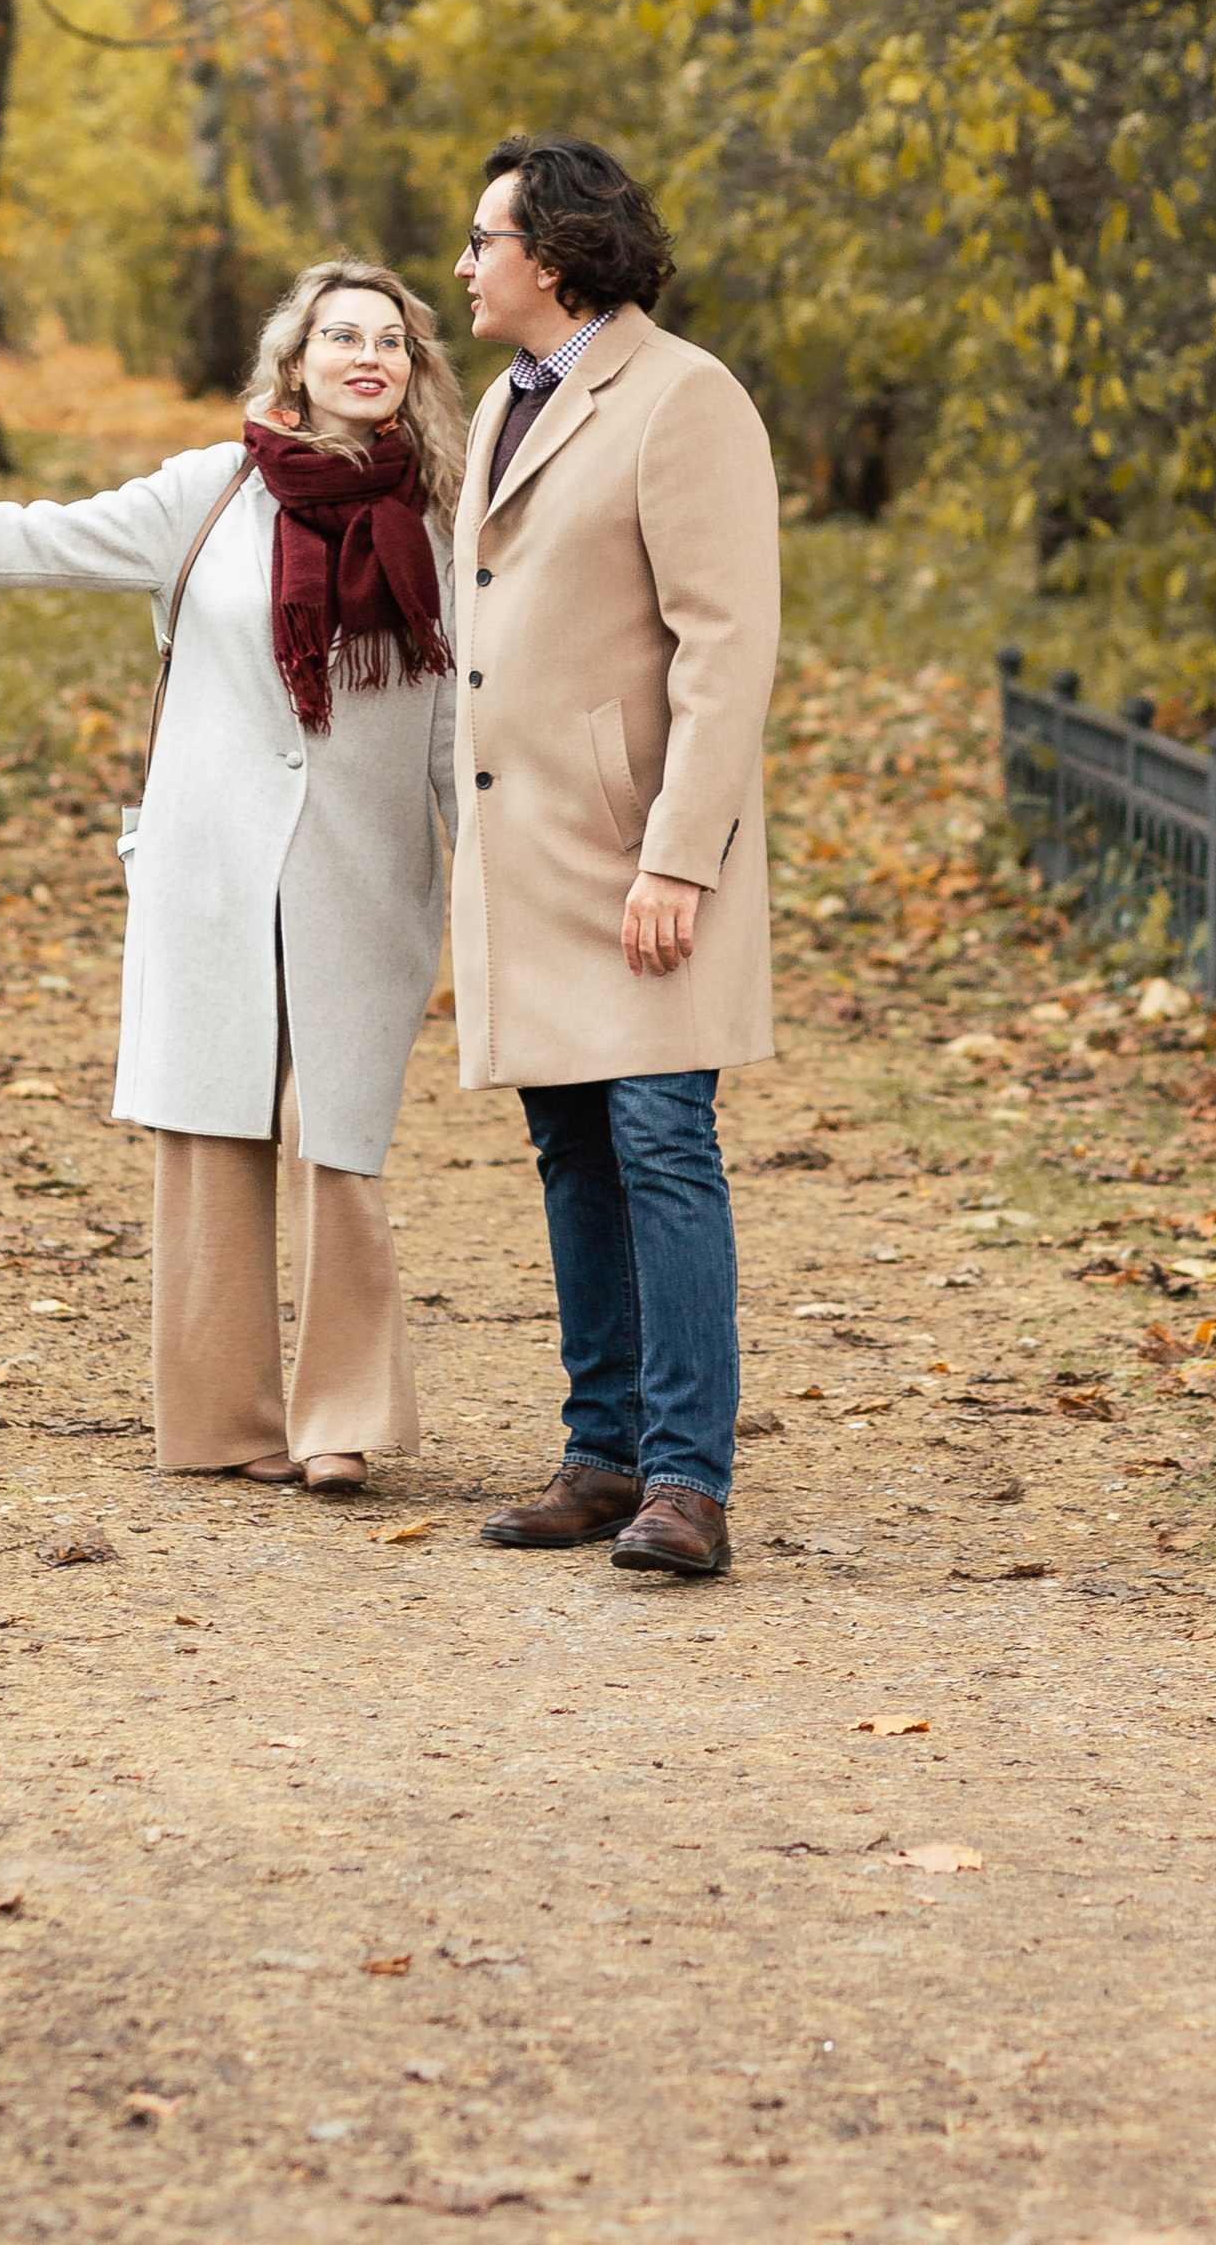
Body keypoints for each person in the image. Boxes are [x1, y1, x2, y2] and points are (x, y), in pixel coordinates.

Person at [0, 261, 461, 1497]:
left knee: (336, 1133)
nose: (367, 355)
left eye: (389, 340)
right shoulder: (209, 492)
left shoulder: (446, 521)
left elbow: (458, 719)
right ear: (291, 365)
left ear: (413, 370)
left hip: (368, 869)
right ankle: (223, 1420)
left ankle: (341, 1413)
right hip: (214, 864)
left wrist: (492, 871)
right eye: (339, 335)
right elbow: (40, 535)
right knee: (212, 1126)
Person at [450, 136, 780, 1578]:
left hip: (641, 854)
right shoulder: (509, 398)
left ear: (555, 256)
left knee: (661, 1143)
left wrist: (680, 859)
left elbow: (725, 645)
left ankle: (688, 1483)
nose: (463, 267)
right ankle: (601, 1452)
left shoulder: (685, 395)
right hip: (534, 848)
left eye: (482, 242)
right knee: (571, 1146)